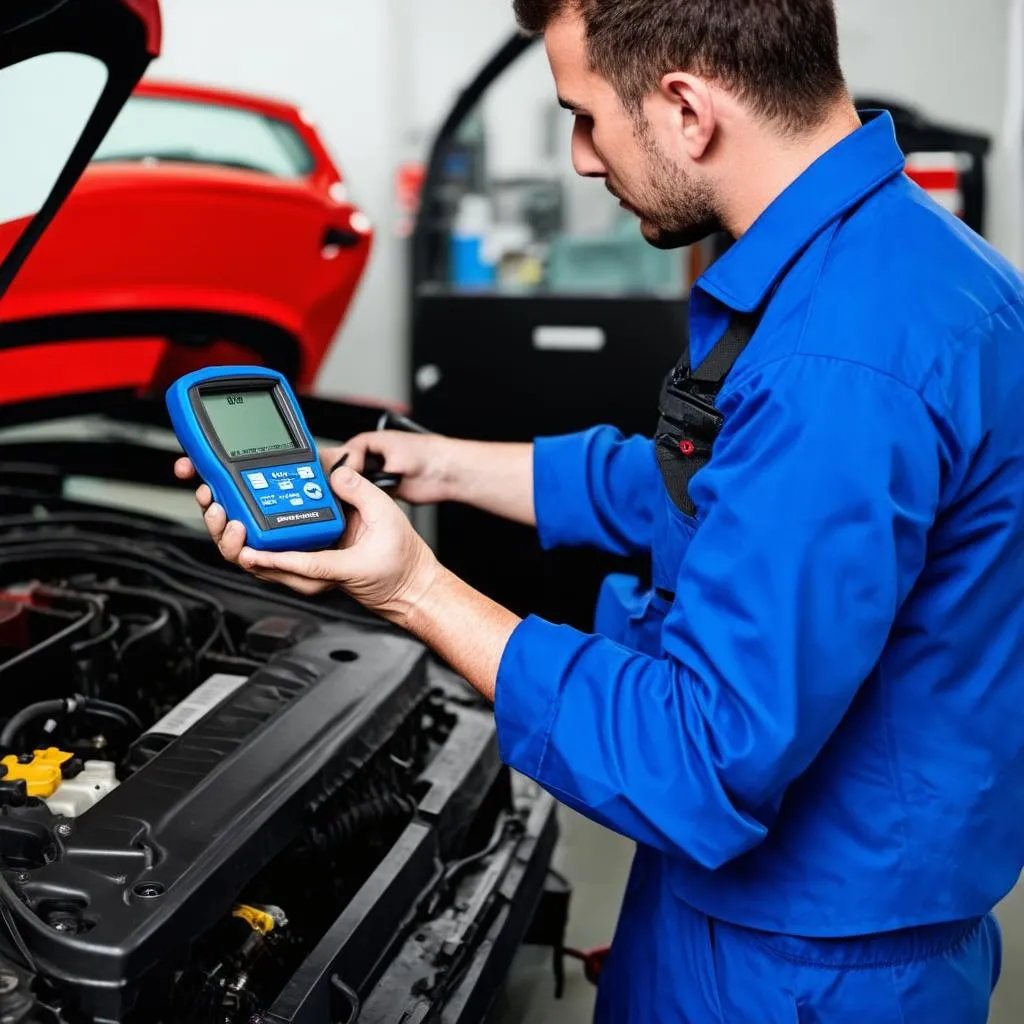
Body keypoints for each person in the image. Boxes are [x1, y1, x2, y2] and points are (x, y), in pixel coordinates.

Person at [176, 0, 1024, 1019]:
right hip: (805, 910)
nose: (581, 157)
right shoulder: (909, 266)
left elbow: (696, 755)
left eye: (584, 116)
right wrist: (434, 462)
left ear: (684, 108)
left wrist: (413, 586)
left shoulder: (835, 363)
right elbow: (706, 491)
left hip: (799, 961)